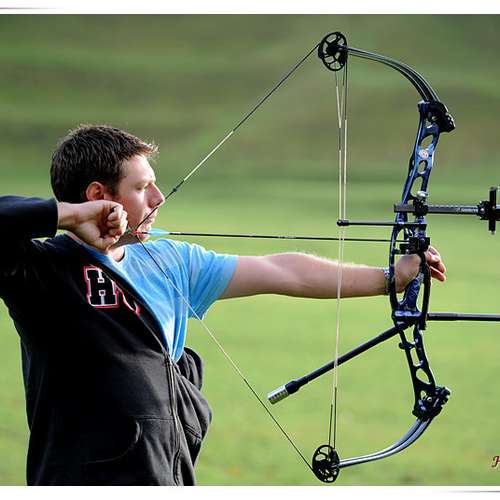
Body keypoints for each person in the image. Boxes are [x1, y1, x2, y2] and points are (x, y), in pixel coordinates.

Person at [0, 125, 446, 486]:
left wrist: (390, 278)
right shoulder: (40, 270)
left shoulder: (169, 259)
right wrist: (69, 215)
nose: (158, 199)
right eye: (142, 187)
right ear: (100, 195)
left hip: (167, 473)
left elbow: (282, 270)